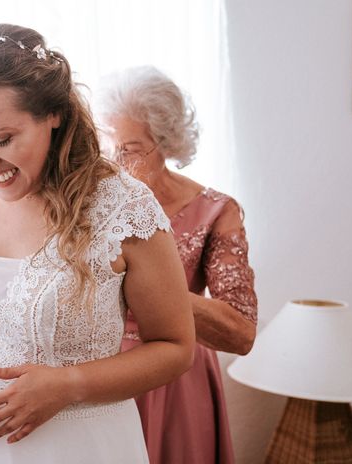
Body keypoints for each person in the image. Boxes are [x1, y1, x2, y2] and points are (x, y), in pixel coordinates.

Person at [0, 24, 195, 464]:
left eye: (1, 140)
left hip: (84, 446)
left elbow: (175, 347)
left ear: (52, 115)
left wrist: (68, 384)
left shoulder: (122, 208)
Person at [96, 65, 258, 464]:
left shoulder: (215, 210)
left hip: (175, 377)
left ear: (165, 143)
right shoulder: (91, 204)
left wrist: (155, 288)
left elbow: (240, 333)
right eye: (107, 148)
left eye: (130, 150)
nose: (115, 164)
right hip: (101, 371)